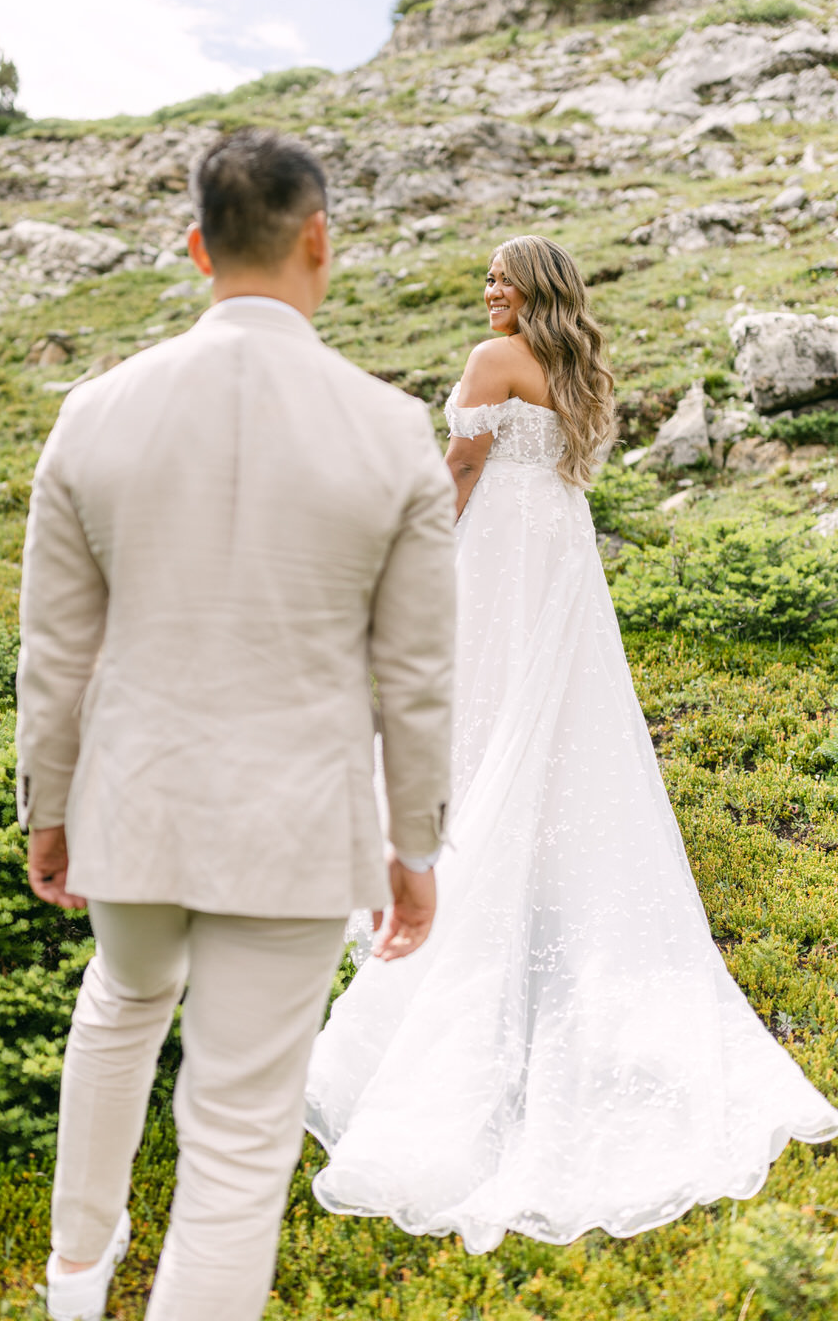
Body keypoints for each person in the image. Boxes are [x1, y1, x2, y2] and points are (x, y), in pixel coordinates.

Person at [15, 127, 457, 1321]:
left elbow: (55, 650)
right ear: (322, 242)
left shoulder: (92, 414)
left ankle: (69, 1280)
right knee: (238, 1143)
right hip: (299, 828)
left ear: (196, 245)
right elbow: (416, 676)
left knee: (118, 1007)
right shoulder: (391, 431)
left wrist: (50, 805)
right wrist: (411, 841)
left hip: (134, 808)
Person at [305, 234, 838, 1250]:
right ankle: (521, 846)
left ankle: (455, 859)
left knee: (473, 700)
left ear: (534, 284)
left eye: (500, 276)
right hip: (555, 546)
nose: (487, 288)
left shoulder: (491, 360)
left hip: (498, 546)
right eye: (486, 277)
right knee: (539, 710)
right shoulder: (580, 363)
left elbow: (457, 468)